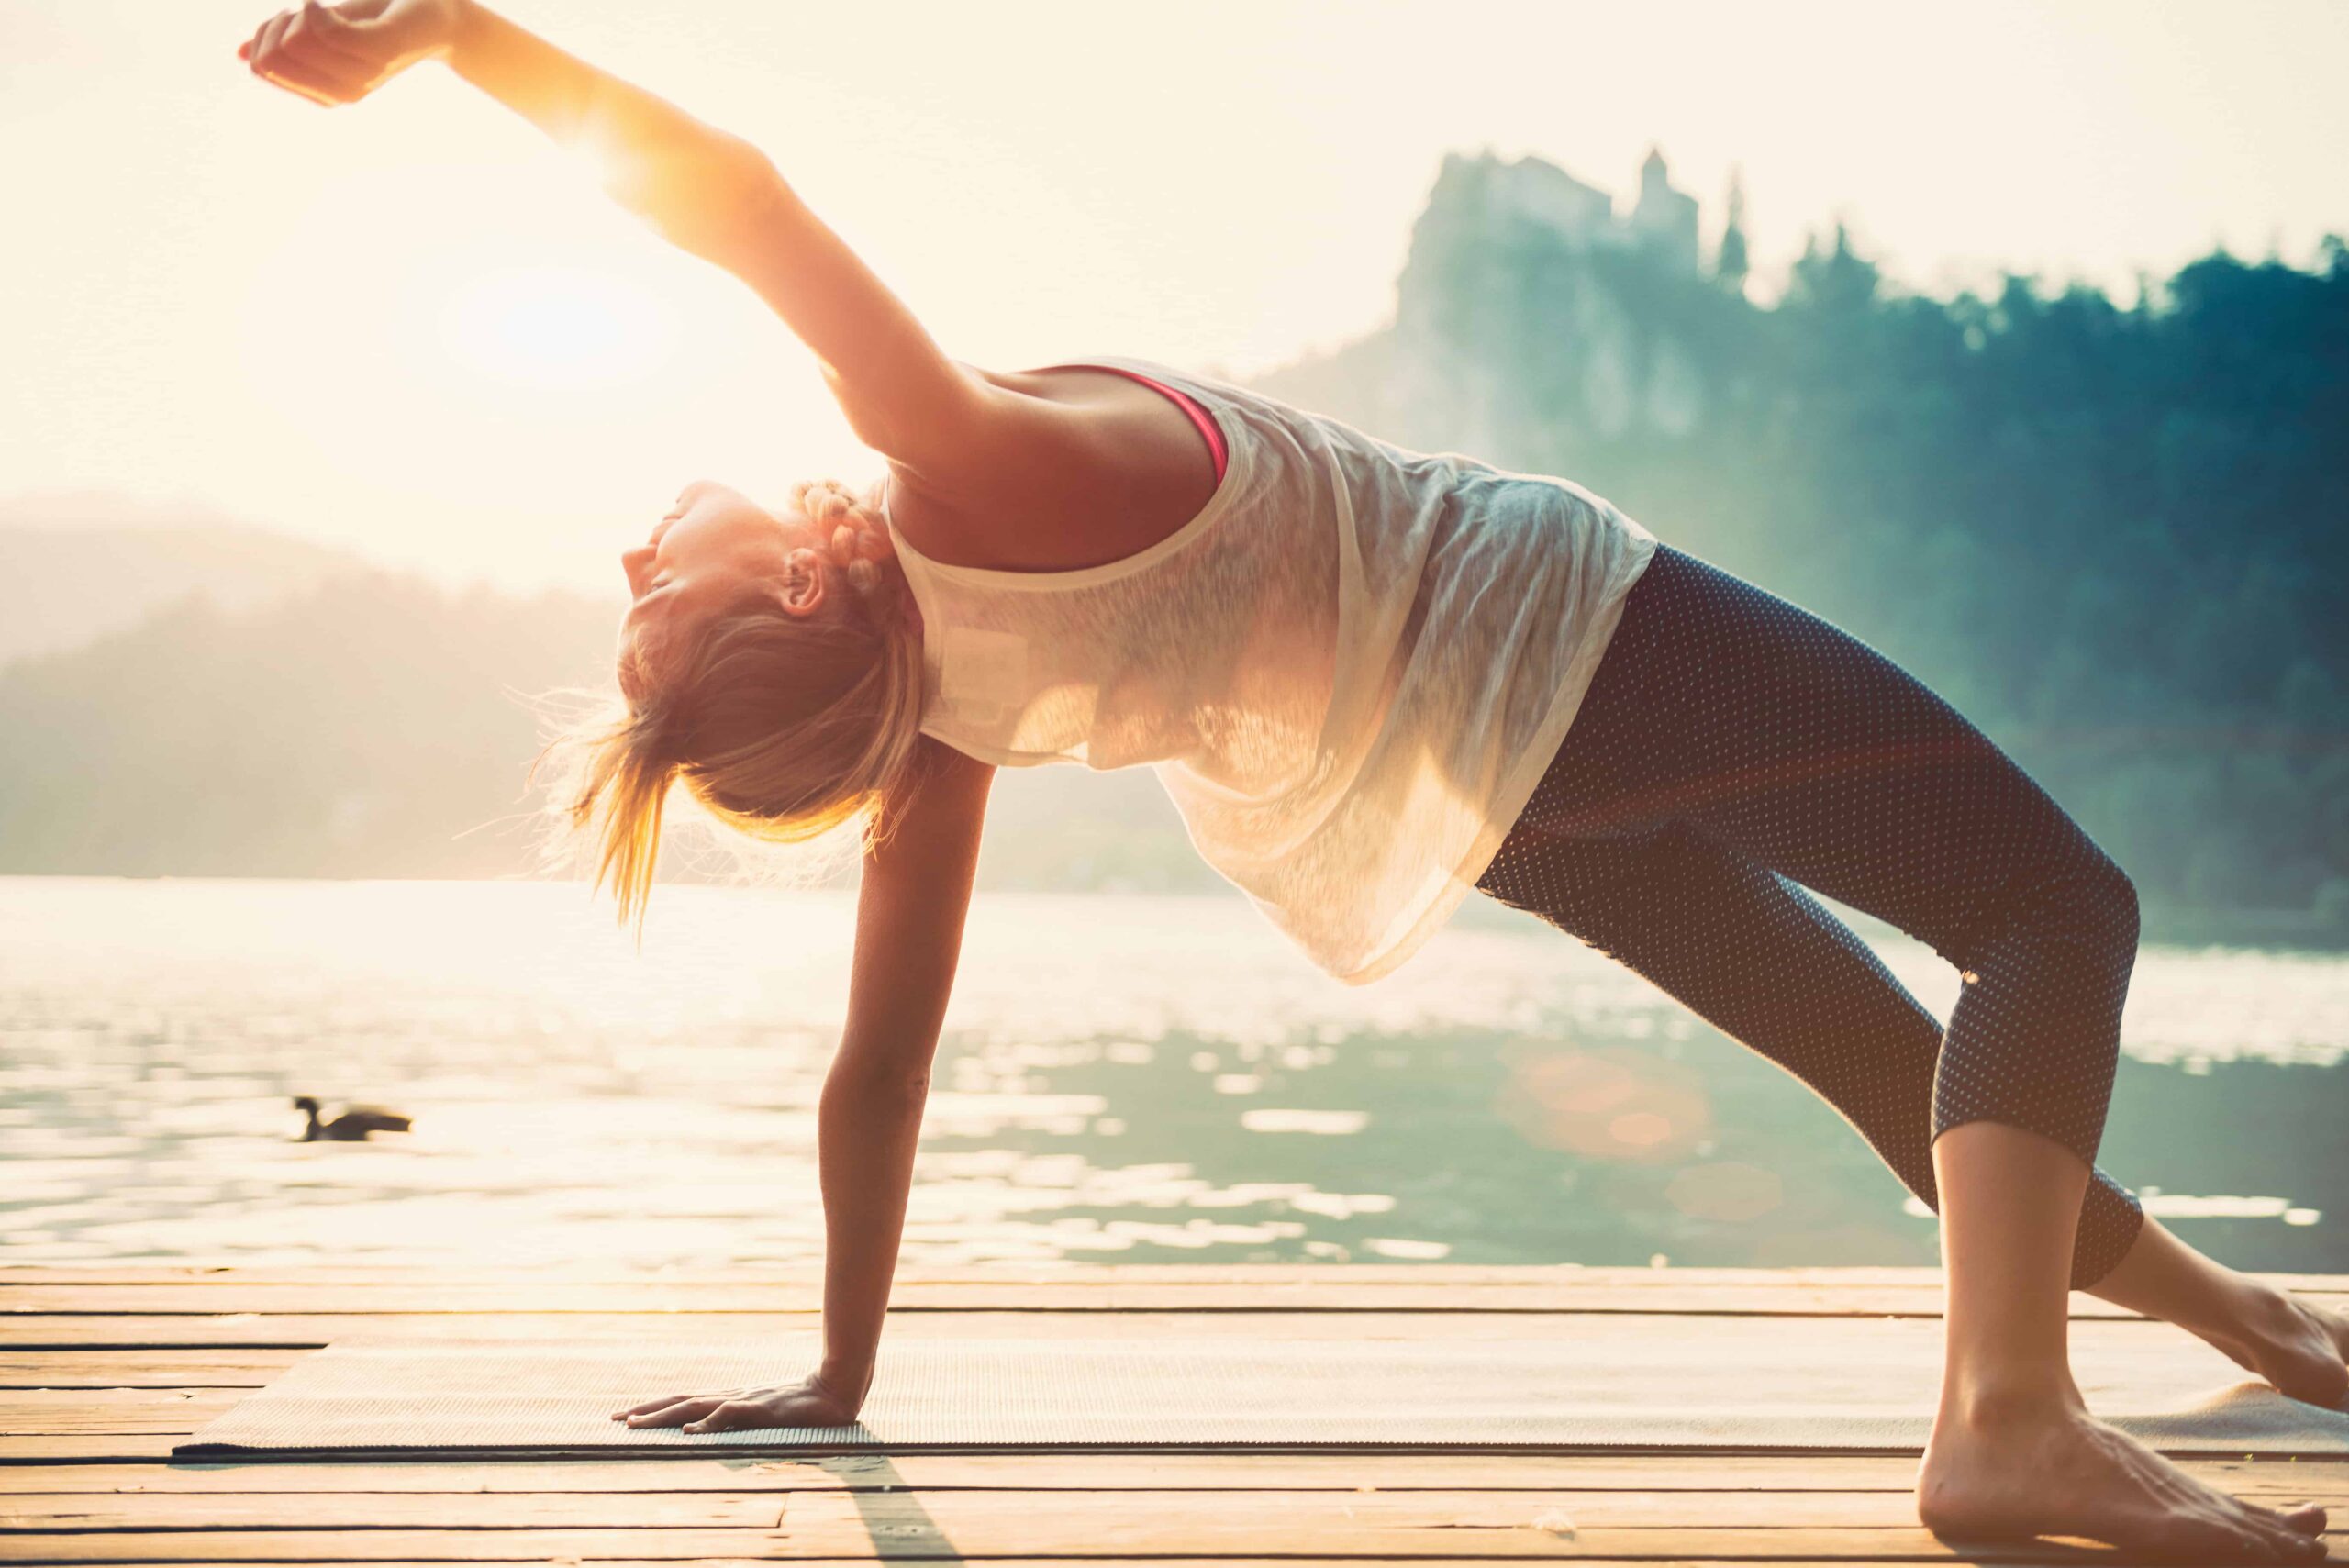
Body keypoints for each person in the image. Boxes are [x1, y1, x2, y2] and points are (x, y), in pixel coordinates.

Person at [238, 3, 2343, 1556]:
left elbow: (878, 1070)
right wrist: (450, 32)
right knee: (2050, 913)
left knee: (1891, 1066)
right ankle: (2001, 1419)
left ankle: (2224, 1313)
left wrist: (842, 1373)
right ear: (792, 577)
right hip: (1573, 643)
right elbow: (739, 204)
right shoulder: (952, 462)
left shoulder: (948, 723)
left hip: (1485, 794)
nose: (625, 557)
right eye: (648, 609)